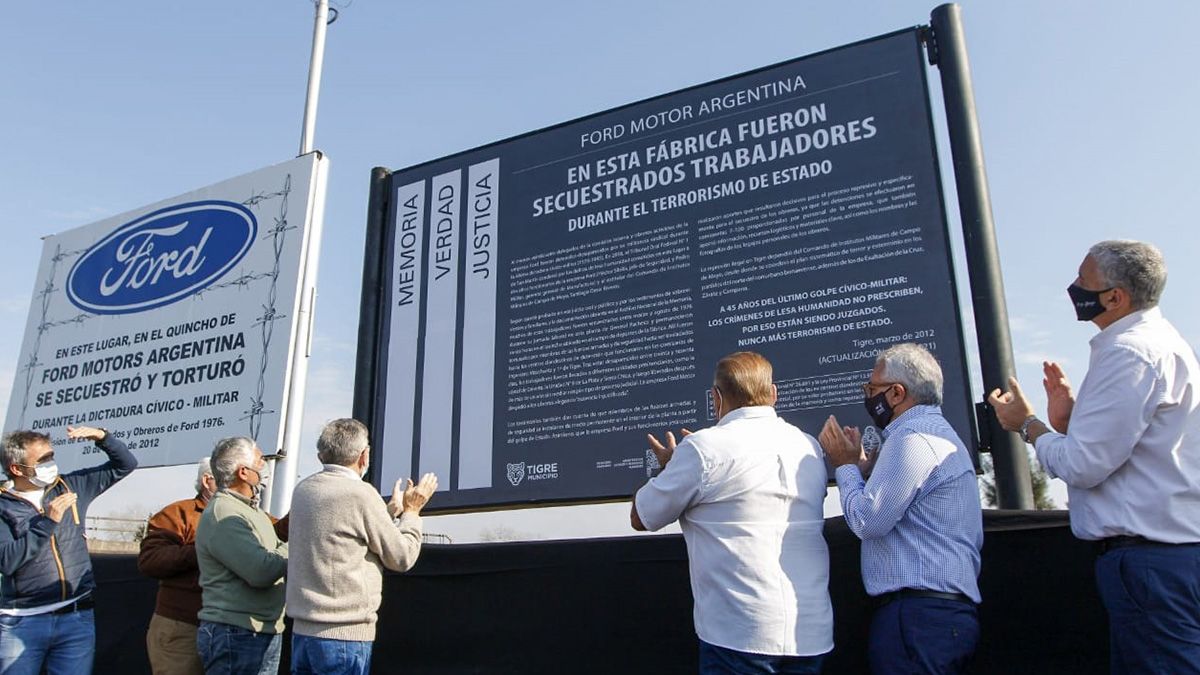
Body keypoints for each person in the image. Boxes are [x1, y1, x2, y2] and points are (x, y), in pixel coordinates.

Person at [989, 239, 1200, 674]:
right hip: (1167, 559)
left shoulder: (1130, 353)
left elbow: (1083, 467)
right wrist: (1070, 423)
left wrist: (1027, 424)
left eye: (1083, 280)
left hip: (1147, 563)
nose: (1073, 287)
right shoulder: (1161, 343)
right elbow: (1135, 449)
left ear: (1115, 297)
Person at [631, 351, 833, 674]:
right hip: (809, 633)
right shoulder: (808, 446)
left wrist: (670, 468)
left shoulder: (703, 449)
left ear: (716, 398)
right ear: (773, 394)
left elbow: (641, 517)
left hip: (739, 635)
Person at [818, 343, 983, 674]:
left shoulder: (913, 438)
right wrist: (868, 472)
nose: (867, 396)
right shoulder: (934, 434)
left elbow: (868, 521)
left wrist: (845, 466)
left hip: (917, 617)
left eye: (871, 388)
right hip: (935, 615)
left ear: (896, 393)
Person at [286, 418, 437, 675]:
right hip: (344, 638)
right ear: (364, 456)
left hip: (302, 635)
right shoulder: (361, 494)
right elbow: (402, 557)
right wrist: (411, 512)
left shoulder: (303, 490)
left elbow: (340, 536)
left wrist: (387, 514)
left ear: (322, 454)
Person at [0, 425, 138, 674]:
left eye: (51, 456)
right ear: (17, 469)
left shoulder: (71, 485)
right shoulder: (3, 505)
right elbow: (7, 561)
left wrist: (103, 437)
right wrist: (48, 522)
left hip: (76, 617)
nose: (50, 463)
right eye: (42, 460)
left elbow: (125, 465)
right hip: (22, 621)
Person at [195, 437, 288, 675]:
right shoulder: (224, 512)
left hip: (259, 630)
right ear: (244, 472)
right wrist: (294, 544)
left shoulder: (250, 510)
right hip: (236, 634)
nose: (264, 466)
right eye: (260, 460)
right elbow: (261, 571)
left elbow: (274, 550)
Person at [138, 458, 218, 675]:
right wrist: (202, 550)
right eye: (227, 476)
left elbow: (279, 530)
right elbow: (150, 560)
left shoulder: (245, 516)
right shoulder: (178, 513)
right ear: (207, 480)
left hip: (227, 630)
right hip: (183, 626)